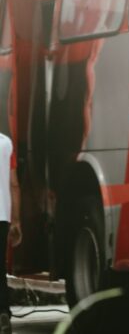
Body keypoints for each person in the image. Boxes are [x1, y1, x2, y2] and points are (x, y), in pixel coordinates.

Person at [0, 131, 19, 334]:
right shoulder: (6, 144)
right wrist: (17, 221)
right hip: (2, 216)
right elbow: (14, 184)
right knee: (0, 267)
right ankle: (3, 312)